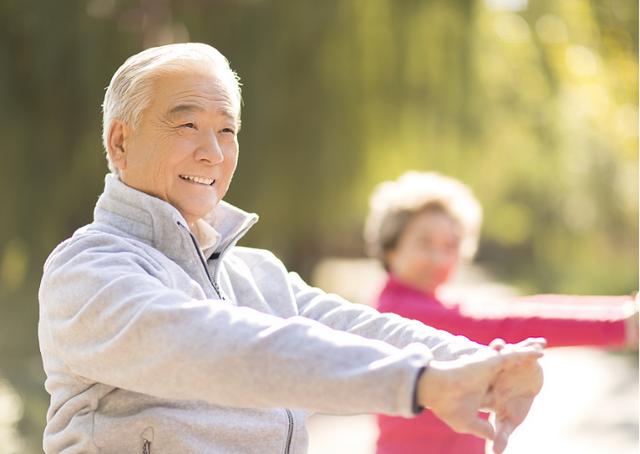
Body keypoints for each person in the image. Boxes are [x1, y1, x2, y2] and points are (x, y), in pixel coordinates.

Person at [38, 43, 545, 454]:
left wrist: (484, 366)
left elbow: (354, 326)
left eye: (227, 130)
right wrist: (420, 383)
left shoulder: (255, 273)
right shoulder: (86, 273)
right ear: (120, 142)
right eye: (188, 124)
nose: (212, 152)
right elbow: (225, 349)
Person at [364, 170, 639, 454]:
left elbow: (519, 310)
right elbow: (508, 324)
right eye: (425, 243)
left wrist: (625, 312)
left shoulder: (436, 305)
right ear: (391, 248)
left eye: (450, 246)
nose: (439, 258)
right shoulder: (396, 312)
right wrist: (623, 323)